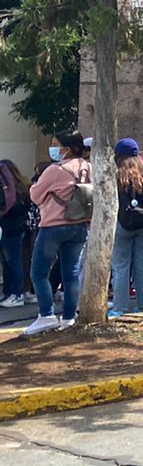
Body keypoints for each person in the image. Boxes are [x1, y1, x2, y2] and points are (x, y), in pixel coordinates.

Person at [23, 129, 93, 336]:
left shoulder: (55, 170)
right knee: (70, 273)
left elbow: (35, 196)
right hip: (80, 224)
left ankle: (46, 315)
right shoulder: (88, 167)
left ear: (67, 149)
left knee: (38, 272)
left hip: (54, 224)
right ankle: (69, 317)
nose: (52, 148)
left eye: (55, 144)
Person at [110, 138, 143, 315]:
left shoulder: (117, 174)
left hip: (123, 223)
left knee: (121, 267)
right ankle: (142, 305)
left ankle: (119, 308)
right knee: (142, 265)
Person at [0, 158, 28, 307]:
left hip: (8, 228)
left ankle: (15, 293)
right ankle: (12, 293)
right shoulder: (22, 186)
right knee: (13, 260)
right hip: (19, 228)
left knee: (11, 261)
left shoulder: (7, 189)